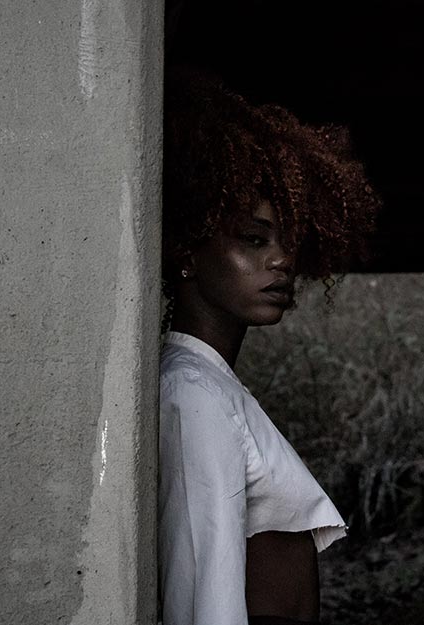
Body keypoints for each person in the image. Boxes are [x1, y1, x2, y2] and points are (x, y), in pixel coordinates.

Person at [159, 66, 380, 625]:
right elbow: (204, 592)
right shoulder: (193, 395)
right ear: (187, 252)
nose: (281, 260)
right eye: (253, 240)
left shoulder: (211, 386)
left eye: (288, 243)